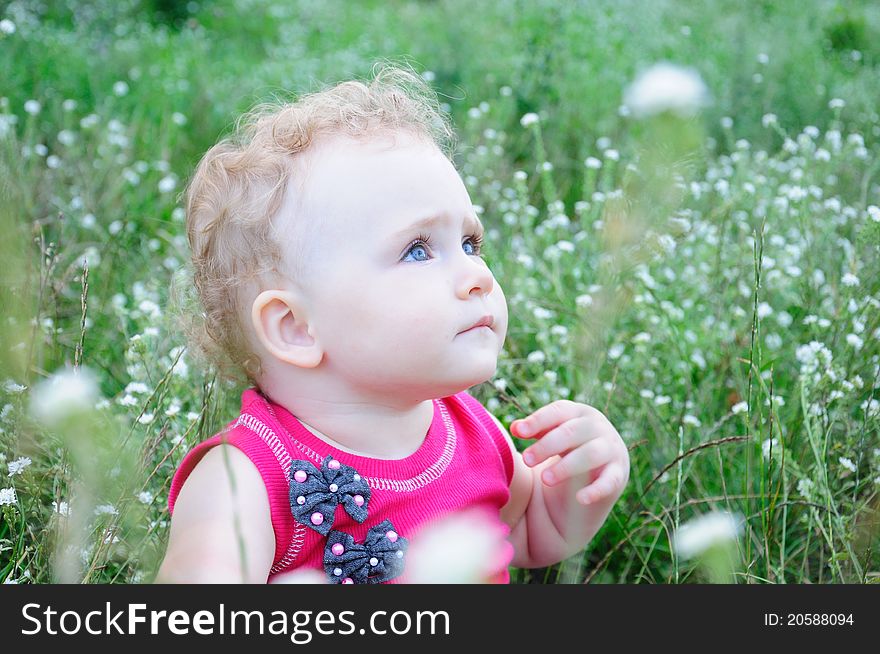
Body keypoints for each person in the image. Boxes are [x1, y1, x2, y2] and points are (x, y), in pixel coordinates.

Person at [156, 63, 630, 584]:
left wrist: (573, 488)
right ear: (296, 326)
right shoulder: (242, 482)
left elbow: (525, 531)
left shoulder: (470, 433)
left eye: (470, 243)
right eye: (418, 250)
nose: (476, 275)